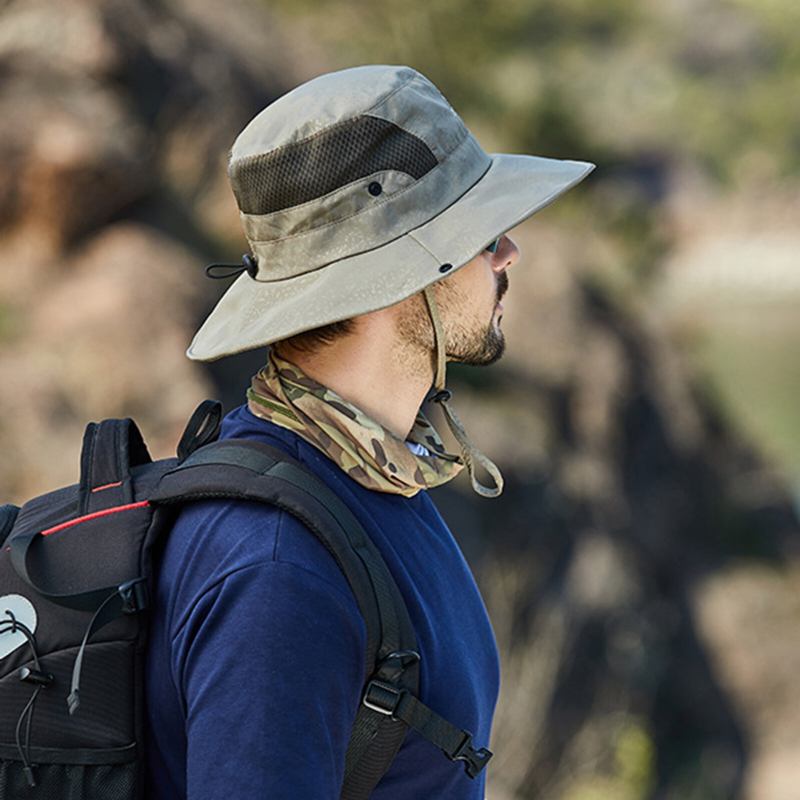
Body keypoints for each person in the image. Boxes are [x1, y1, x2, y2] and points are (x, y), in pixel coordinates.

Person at [144, 64, 594, 799]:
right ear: (400, 275)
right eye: (479, 233)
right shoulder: (276, 569)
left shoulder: (372, 478)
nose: (508, 251)